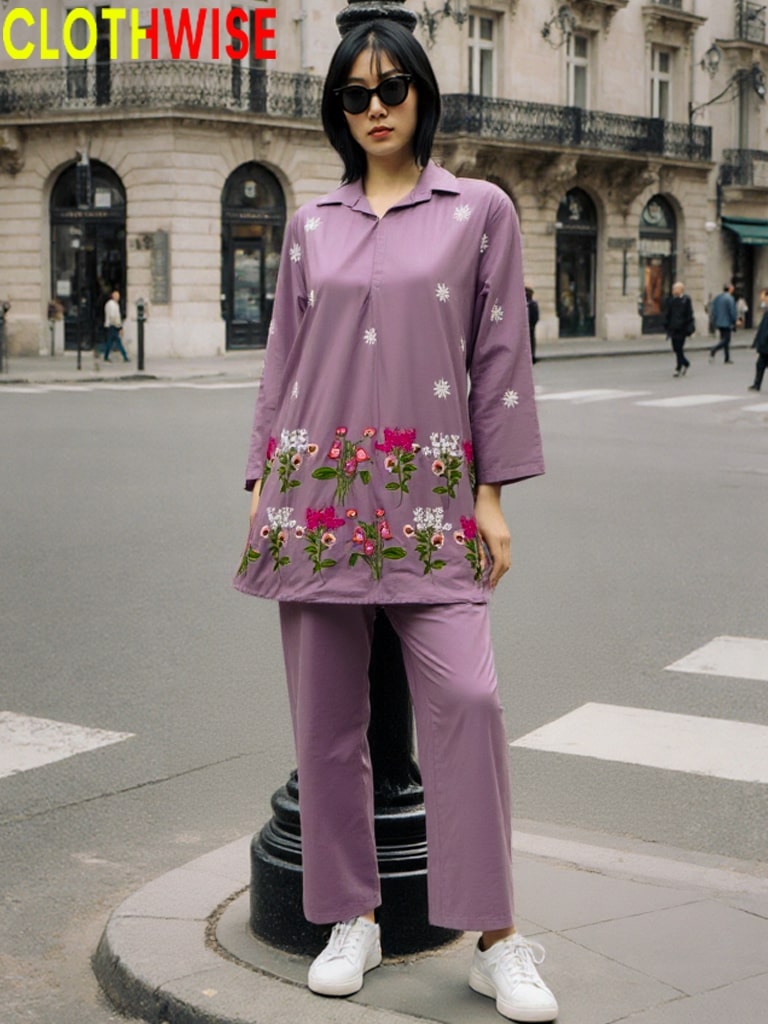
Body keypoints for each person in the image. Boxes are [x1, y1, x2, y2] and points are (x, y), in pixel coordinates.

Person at [234, 16, 558, 1024]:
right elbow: (283, 357)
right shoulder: (311, 223)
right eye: (354, 94)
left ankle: (497, 938)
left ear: (422, 91)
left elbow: (500, 357)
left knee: (470, 701)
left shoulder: (480, 211)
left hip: (430, 502)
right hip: (314, 498)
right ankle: (352, 917)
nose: (374, 108)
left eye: (391, 88)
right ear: (337, 108)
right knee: (327, 726)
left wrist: (494, 497)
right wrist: (258, 484)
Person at [664, 281, 694, 377]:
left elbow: (689, 314)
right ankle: (685, 363)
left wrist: (689, 328)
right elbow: (668, 314)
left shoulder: (686, 300)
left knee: (679, 347)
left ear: (680, 290)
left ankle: (678, 367)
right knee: (675, 348)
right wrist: (666, 326)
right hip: (673, 328)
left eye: (675, 289)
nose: (673, 290)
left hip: (682, 328)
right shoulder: (671, 300)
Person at [708, 282, 737, 364]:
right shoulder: (730, 298)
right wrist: (734, 321)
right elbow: (732, 312)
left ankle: (727, 358)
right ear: (730, 289)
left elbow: (713, 310)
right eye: (732, 288)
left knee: (724, 340)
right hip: (727, 322)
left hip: (719, 322)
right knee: (726, 340)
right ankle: (714, 349)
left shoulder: (718, 298)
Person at [747, 288, 768, 392]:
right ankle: (756, 385)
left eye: (763, 296)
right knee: (760, 365)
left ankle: (757, 385)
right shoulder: (766, 311)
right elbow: (762, 328)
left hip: (766, 344)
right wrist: (756, 341)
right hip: (764, 346)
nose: (762, 298)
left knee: (760, 365)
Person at [102, 289, 129, 362]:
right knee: (118, 342)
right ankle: (125, 357)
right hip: (113, 325)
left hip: (112, 325)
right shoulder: (112, 305)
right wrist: (120, 327)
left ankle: (106, 356)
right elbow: (113, 317)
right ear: (113, 296)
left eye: (118, 296)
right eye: (116, 296)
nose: (118, 297)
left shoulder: (112, 304)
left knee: (110, 342)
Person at [525, 284, 539, 364]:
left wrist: (532, 325)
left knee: (531, 342)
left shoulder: (532, 304)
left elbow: (536, 316)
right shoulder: (528, 303)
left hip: (530, 327)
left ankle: (532, 356)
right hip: (528, 326)